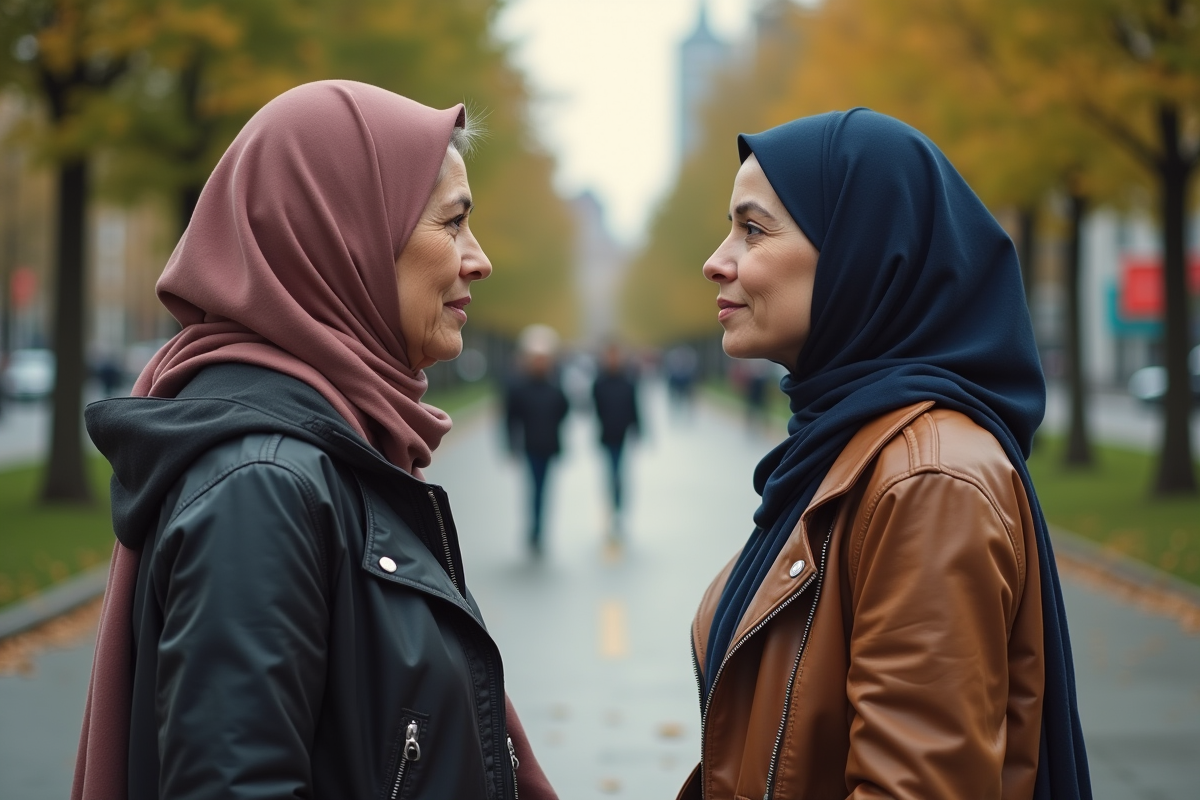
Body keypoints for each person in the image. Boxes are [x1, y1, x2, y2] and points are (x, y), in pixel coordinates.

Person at [73, 81, 556, 800]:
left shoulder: (333, 452)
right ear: (346, 235)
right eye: (453, 223)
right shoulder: (263, 485)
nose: (478, 259)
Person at [679, 109, 1090, 800]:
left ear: (860, 249)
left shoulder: (929, 479)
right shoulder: (845, 447)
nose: (717, 259)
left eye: (751, 228)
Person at [504, 325, 569, 556]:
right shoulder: (520, 388)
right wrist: (511, 445)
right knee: (535, 489)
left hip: (549, 446)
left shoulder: (554, 387)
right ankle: (535, 529)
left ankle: (539, 529)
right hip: (531, 446)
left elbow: (563, 412)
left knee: (544, 489)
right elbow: (511, 418)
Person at [591, 342, 640, 538]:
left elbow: (634, 406)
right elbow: (595, 408)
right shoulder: (599, 382)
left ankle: (618, 506)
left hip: (622, 434)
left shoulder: (627, 381)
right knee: (611, 472)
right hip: (606, 434)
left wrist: (637, 428)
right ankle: (612, 504)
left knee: (619, 473)